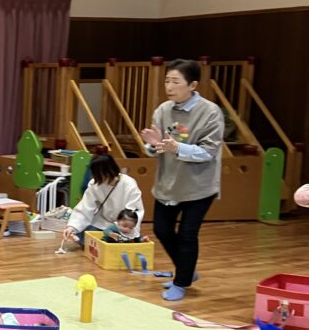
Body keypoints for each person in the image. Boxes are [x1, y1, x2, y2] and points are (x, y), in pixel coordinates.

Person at [141, 58, 224, 302]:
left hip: (199, 186)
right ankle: (187, 271)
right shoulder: (163, 110)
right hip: (169, 183)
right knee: (161, 229)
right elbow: (156, 147)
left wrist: (177, 147)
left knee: (188, 234)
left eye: (176, 81)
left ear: (193, 85)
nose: (169, 86)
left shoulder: (210, 112)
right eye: (167, 80)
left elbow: (209, 152)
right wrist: (153, 145)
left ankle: (181, 281)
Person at [61, 154, 144, 247]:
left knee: (114, 241)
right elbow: (85, 207)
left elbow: (133, 212)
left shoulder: (129, 184)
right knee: (88, 239)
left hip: (123, 225)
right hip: (103, 222)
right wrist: (72, 227)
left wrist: (121, 227)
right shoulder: (95, 184)